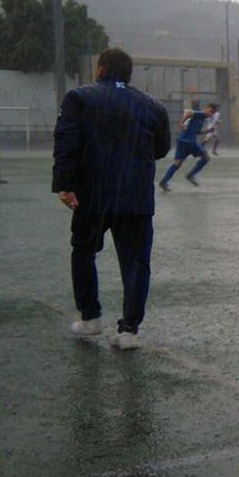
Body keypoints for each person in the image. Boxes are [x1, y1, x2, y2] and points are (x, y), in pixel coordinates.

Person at [52, 47, 171, 350]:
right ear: (129, 74)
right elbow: (160, 148)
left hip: (93, 194)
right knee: (136, 262)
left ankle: (90, 318)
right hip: (136, 196)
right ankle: (129, 331)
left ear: (101, 69)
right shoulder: (153, 106)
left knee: (83, 251)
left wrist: (65, 185)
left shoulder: (79, 98)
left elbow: (67, 143)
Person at [159, 104, 212, 191]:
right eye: (211, 111)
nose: (211, 114)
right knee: (206, 157)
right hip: (189, 142)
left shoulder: (201, 119)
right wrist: (181, 122)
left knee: (177, 163)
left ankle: (164, 182)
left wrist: (207, 131)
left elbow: (197, 132)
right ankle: (190, 175)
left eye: (213, 113)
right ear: (207, 108)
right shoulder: (201, 114)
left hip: (183, 141)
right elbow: (189, 112)